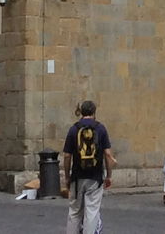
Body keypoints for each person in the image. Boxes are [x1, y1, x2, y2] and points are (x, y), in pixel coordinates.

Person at [61, 98, 114, 234]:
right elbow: (108, 155)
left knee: (74, 211)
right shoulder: (100, 129)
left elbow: (67, 156)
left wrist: (67, 176)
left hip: (77, 177)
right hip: (95, 177)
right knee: (92, 211)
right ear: (94, 112)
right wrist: (109, 176)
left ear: (81, 112)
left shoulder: (74, 129)